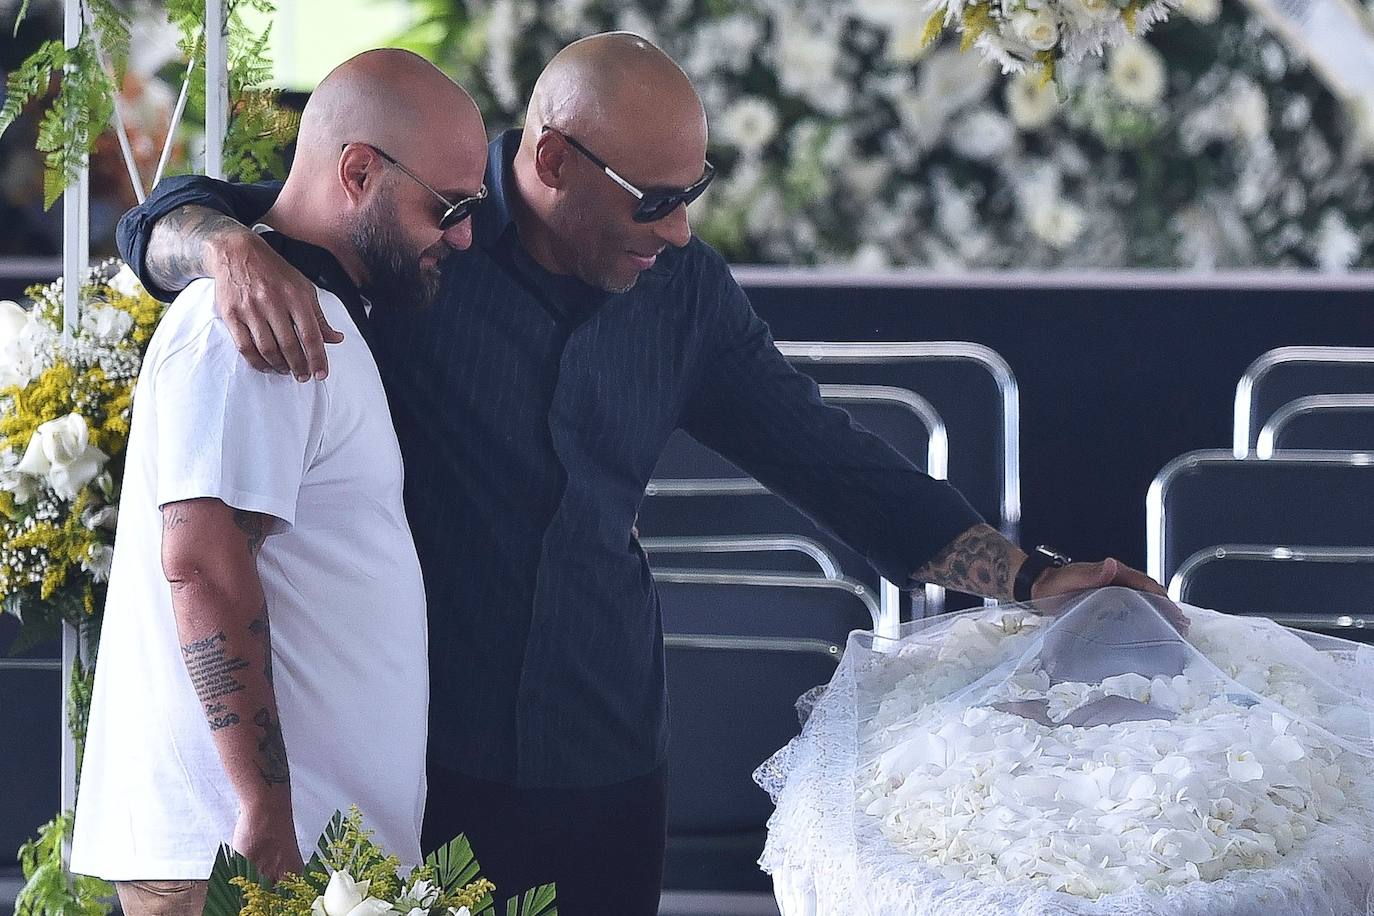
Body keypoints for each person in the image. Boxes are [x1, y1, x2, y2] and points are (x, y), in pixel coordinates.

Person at [115, 32, 1172, 915]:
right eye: (656, 200)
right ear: (557, 160)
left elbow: (829, 459)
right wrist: (224, 248)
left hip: (608, 756)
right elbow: (186, 218)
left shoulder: (686, 291)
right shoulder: (420, 228)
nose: (681, 227)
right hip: (424, 764)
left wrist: (1031, 577)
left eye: (694, 194)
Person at [70, 49, 487, 916]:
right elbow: (203, 563)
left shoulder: (302, 310)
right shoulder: (260, 323)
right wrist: (263, 811)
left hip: (272, 857)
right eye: (448, 208)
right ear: (360, 172)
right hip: (245, 861)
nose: (463, 237)